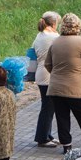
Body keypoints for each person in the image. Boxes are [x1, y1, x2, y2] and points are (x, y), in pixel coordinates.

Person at [44, 13, 81, 156]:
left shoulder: (55, 42)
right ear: (78, 26)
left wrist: (57, 74)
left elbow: (47, 64)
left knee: (62, 117)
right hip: (74, 87)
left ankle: (67, 147)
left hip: (55, 87)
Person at [31, 12, 61, 147]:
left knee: (48, 106)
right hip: (49, 74)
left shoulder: (39, 36)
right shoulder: (54, 37)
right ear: (53, 24)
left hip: (40, 73)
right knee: (48, 107)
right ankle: (42, 137)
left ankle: (47, 135)